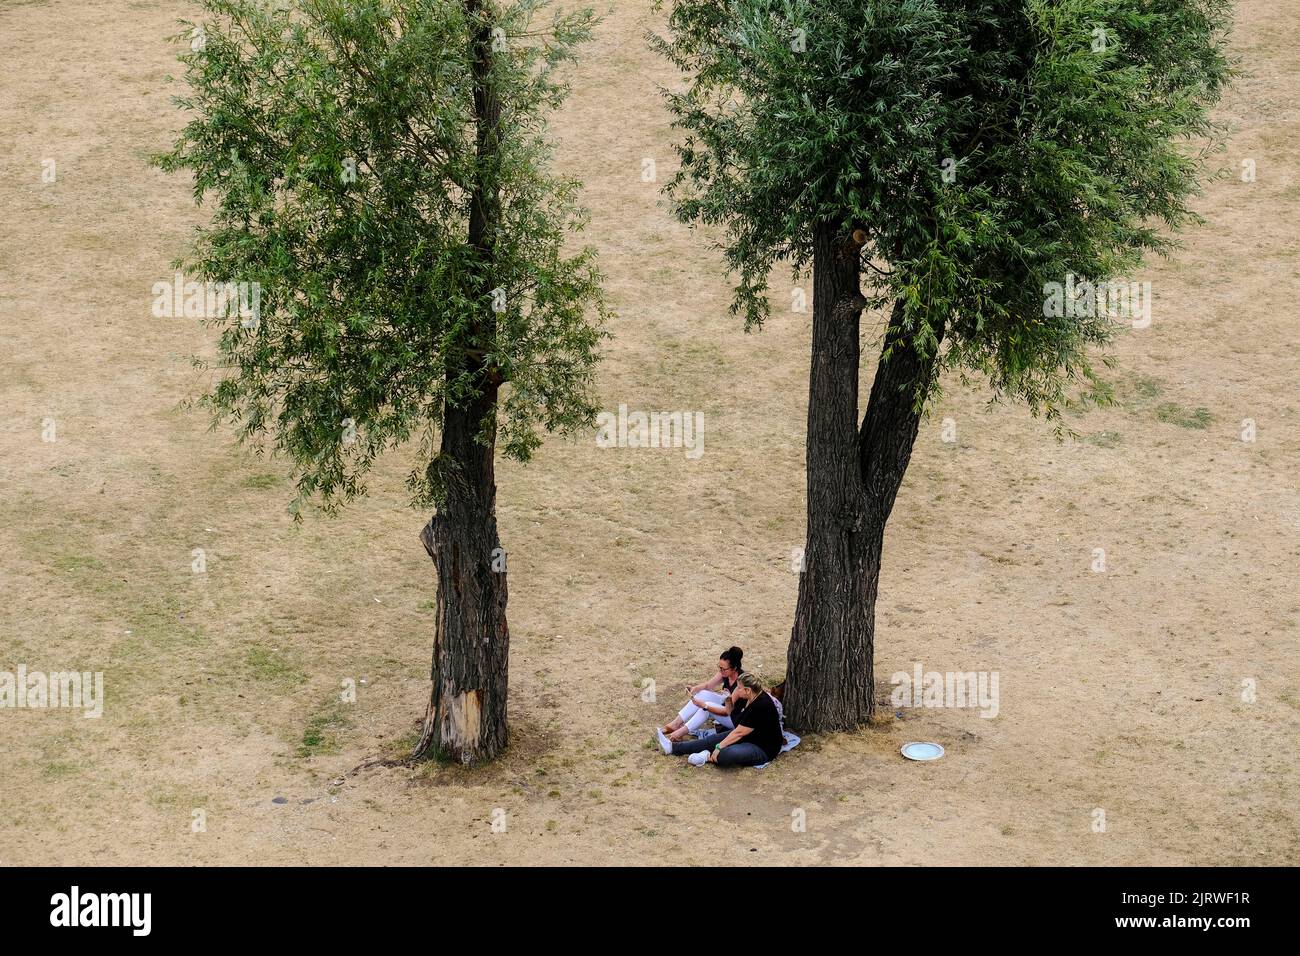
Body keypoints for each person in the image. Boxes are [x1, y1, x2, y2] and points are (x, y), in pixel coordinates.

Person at [656, 674, 785, 767]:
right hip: (749, 736)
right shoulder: (752, 697)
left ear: (748, 690)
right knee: (709, 741)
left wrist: (719, 747)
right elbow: (738, 724)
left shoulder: (761, 705)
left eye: (739, 688)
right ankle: (671, 747)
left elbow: (739, 732)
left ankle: (707, 756)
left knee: (724, 754)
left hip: (763, 748)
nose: (737, 690)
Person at [660, 646, 744, 742]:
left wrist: (704, 706)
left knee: (706, 708)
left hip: (735, 718)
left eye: (723, 669)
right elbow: (708, 685)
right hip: (725, 706)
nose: (721, 671)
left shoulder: (740, 683)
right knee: (703, 694)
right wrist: (694, 688)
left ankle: (679, 733)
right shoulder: (725, 673)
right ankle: (676, 723)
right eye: (719, 667)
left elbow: (726, 712)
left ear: (734, 668)